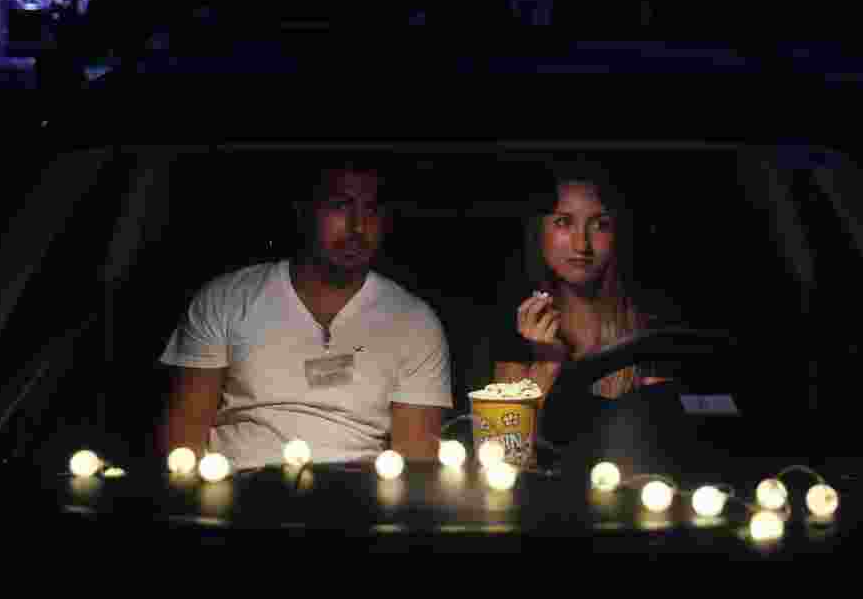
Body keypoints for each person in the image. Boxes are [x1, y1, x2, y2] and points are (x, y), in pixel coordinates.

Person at [154, 162, 453, 471]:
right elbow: (182, 439)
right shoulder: (227, 299)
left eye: (371, 210)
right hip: (236, 489)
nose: (358, 227)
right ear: (304, 212)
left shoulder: (414, 322)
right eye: (341, 206)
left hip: (357, 498)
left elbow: (417, 460)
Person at [488, 161, 687, 474]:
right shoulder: (518, 332)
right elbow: (503, 460)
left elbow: (670, 444)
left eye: (599, 225)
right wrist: (545, 366)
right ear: (539, 231)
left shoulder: (650, 327)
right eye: (564, 223)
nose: (582, 245)